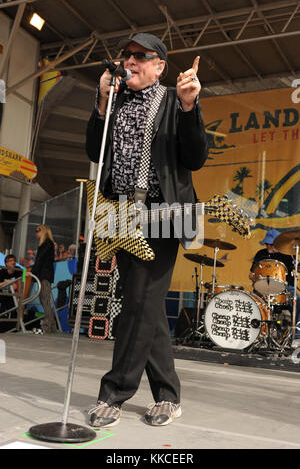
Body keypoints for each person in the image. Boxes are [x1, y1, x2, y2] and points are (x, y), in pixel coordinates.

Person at [85, 33, 208, 428]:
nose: (131, 61)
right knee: (145, 305)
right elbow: (94, 151)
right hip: (119, 212)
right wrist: (103, 102)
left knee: (139, 302)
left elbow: (195, 157)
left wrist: (190, 106)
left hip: (163, 214)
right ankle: (168, 396)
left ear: (160, 67)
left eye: (142, 57)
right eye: (128, 55)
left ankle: (115, 392)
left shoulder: (174, 100)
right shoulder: (116, 102)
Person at [249, 229, 300, 348]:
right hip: (262, 288)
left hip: (285, 288)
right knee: (251, 303)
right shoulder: (260, 253)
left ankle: (297, 336)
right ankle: (253, 334)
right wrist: (256, 279)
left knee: (299, 301)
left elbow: (297, 269)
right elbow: (251, 274)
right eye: (267, 243)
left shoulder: (288, 255)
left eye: (271, 244)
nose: (269, 246)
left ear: (278, 243)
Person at [31, 225, 56, 334]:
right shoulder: (46, 244)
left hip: (44, 276)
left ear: (44, 231)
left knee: (45, 300)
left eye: (38, 231)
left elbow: (40, 260)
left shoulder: (46, 244)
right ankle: (52, 326)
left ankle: (47, 326)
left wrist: (31, 273)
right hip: (44, 275)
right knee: (44, 300)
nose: (36, 233)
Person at [0, 254, 22, 331]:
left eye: (14, 261)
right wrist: (8, 282)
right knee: (3, 313)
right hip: (3, 296)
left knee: (14, 312)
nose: (13, 262)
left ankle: (14, 329)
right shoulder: (2, 271)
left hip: (13, 297)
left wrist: (26, 274)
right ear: (6, 263)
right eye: (11, 261)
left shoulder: (17, 269)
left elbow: (23, 274)